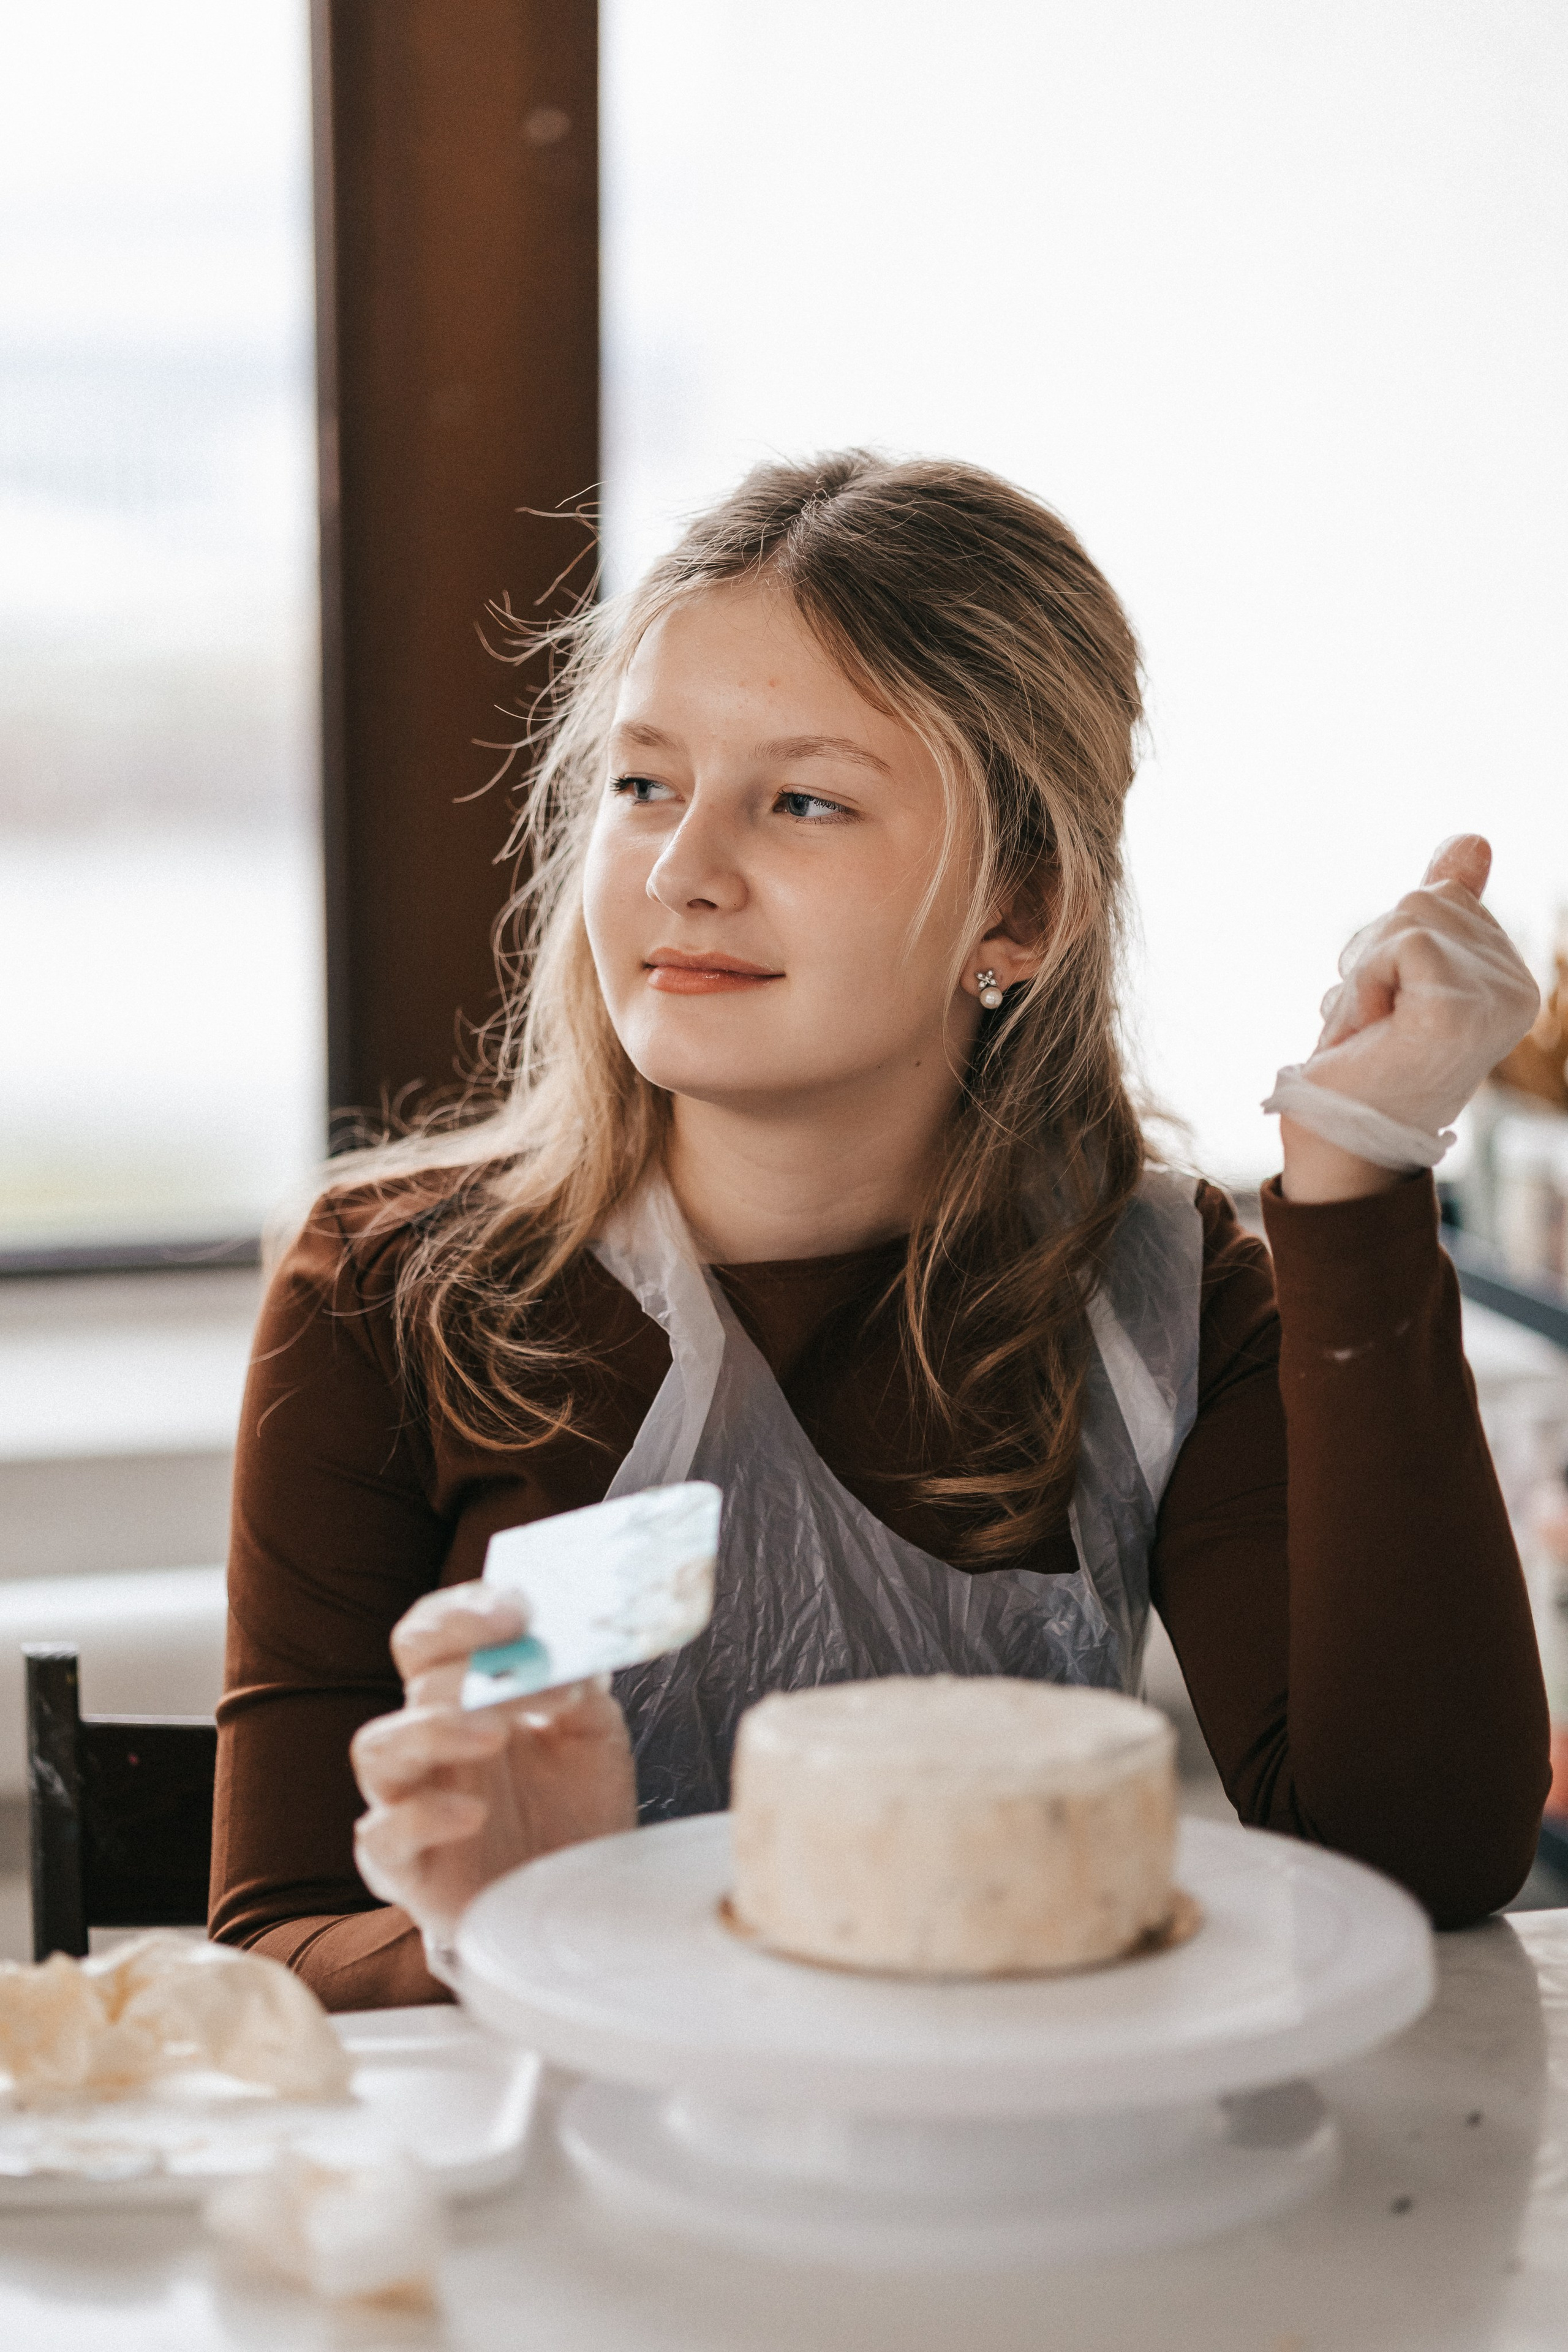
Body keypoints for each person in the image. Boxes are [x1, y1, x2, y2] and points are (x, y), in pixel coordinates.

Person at [209, 453, 1550, 2010]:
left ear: (1022, 909)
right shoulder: (385, 1294)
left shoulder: (1168, 1298)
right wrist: (492, 1932)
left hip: (999, 2205)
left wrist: (1359, 1176)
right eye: (644, 783)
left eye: (802, 801)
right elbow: (274, 1941)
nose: (681, 872)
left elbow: (1422, 1859)